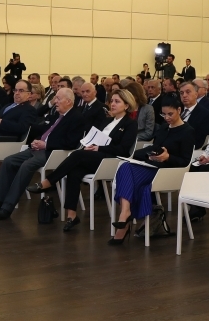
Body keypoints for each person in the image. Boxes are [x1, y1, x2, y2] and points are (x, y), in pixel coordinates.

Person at [28, 90, 138, 230]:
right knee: (74, 171)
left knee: (77, 155)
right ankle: (72, 215)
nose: (113, 104)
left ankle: (48, 182)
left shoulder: (130, 124)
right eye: (112, 101)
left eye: (117, 101)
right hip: (96, 157)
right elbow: (96, 137)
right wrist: (90, 144)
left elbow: (123, 149)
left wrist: (99, 148)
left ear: (127, 105)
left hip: (113, 160)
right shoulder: (107, 120)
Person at [0, 88, 85, 220]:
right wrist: (36, 139)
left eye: (58, 99)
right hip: (38, 148)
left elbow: (71, 142)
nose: (55, 101)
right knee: (8, 161)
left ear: (69, 101)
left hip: (53, 153)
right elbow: (45, 130)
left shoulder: (76, 118)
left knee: (26, 165)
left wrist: (46, 144)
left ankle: (7, 207)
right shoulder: (56, 115)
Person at [110, 99, 196, 245]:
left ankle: (125, 219)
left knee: (129, 175)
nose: (167, 117)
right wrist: (146, 155)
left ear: (179, 110)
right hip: (153, 166)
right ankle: (125, 214)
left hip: (169, 171)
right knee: (125, 166)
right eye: (163, 114)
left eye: (170, 114)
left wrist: (168, 157)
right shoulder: (164, 128)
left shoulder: (188, 131)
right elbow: (155, 147)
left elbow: (185, 161)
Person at [178, 81, 209, 149]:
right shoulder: (176, 109)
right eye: (181, 93)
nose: (184, 95)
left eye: (188, 92)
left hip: (188, 149)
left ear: (196, 94)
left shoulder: (205, 114)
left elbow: (199, 140)